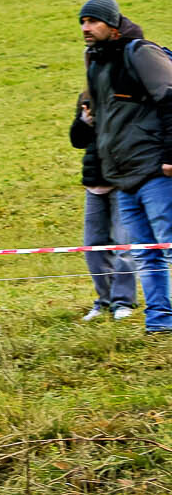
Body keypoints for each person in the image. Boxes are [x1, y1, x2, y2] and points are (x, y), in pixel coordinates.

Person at [79, 0, 172, 336]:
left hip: (156, 171)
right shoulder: (96, 63)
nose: (86, 28)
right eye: (82, 22)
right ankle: (160, 322)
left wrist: (170, 156)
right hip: (123, 179)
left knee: (170, 245)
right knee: (146, 254)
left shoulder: (140, 52)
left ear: (113, 24)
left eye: (93, 21)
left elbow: (171, 99)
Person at [72, 89, 138, 321]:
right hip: (94, 183)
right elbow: (77, 141)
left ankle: (123, 301)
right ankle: (104, 300)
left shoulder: (128, 93)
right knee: (92, 246)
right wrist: (84, 122)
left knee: (124, 244)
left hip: (121, 181)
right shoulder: (86, 97)